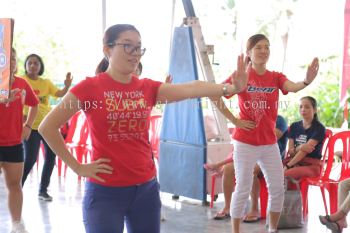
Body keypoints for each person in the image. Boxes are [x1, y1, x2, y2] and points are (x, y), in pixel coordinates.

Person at [38, 24, 248, 233]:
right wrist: (77, 167)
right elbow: (47, 126)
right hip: (105, 191)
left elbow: (191, 88)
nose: (135, 53)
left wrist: (230, 88)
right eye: (128, 46)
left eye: (138, 48)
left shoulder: (147, 88)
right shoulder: (89, 88)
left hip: (145, 189)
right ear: (107, 49)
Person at [209, 34, 319, 233]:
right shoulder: (241, 76)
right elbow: (215, 94)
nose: (263, 51)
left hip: (268, 144)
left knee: (277, 188)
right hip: (245, 143)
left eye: (267, 47)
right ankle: (235, 231)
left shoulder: (276, 77)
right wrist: (234, 120)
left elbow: (292, 87)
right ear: (249, 52)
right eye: (258, 47)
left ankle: (272, 230)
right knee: (242, 187)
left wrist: (306, 81)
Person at [204, 115, 288, 221]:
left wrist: (250, 137)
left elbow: (268, 139)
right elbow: (240, 147)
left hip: (269, 158)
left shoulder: (280, 120)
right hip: (250, 155)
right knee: (228, 168)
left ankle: (254, 209)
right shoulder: (249, 120)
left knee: (251, 170)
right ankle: (228, 207)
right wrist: (221, 164)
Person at [21, 54, 73, 201]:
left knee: (51, 157)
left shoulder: (46, 83)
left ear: (40, 66)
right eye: (30, 63)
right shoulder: (22, 81)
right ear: (25, 66)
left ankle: (43, 190)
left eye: (36, 63)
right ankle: (18, 187)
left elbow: (59, 94)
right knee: (30, 159)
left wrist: (67, 85)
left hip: (48, 126)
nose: (32, 66)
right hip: (30, 126)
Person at [0, 48, 39, 233]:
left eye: (14, 58)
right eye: (8, 59)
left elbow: (35, 104)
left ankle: (17, 224)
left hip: (14, 144)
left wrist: (28, 126)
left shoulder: (22, 83)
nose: (12, 61)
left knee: (15, 185)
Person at [284, 96, 325, 179]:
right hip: (294, 161)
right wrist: (301, 147)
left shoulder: (319, 128)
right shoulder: (294, 126)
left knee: (285, 174)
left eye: (307, 107)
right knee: (272, 171)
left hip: (312, 165)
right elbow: (291, 152)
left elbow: (306, 151)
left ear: (315, 110)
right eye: (301, 107)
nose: (303, 109)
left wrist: (288, 166)